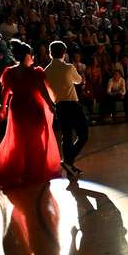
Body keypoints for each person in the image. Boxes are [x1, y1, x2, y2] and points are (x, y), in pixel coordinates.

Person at [0, 39, 61, 188]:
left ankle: (22, 171)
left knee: (20, 140)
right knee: (36, 139)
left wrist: (3, 108)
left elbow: (5, 92)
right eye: (31, 55)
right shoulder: (35, 73)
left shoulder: (10, 72)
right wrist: (51, 106)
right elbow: (43, 91)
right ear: (27, 56)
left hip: (18, 108)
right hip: (33, 108)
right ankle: (34, 171)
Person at [45, 40, 89, 178]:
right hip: (72, 104)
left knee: (67, 136)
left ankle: (69, 167)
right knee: (83, 134)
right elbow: (79, 80)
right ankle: (68, 161)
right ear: (64, 53)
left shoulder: (46, 71)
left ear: (50, 53)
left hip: (59, 106)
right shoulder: (68, 67)